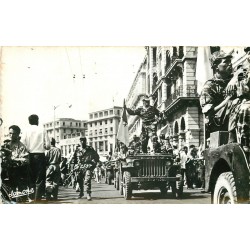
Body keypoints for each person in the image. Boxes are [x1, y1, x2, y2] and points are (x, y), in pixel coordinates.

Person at [199, 50, 234, 141]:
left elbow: (243, 68)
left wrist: (236, 76)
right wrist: (228, 99)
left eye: (230, 62)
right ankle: (233, 138)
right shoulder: (209, 86)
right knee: (234, 102)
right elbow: (209, 112)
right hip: (217, 122)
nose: (230, 64)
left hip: (231, 116)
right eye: (226, 62)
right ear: (216, 67)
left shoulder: (234, 79)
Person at [21, 114, 50, 202]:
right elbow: (48, 146)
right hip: (40, 156)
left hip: (30, 156)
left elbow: (22, 145)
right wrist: (43, 146)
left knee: (30, 178)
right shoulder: (42, 130)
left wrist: (28, 149)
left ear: (29, 121)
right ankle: (38, 198)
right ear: (37, 120)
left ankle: (31, 197)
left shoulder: (26, 130)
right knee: (40, 179)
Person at [1, 125, 30, 203]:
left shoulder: (21, 146)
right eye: (10, 133)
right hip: (7, 171)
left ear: (18, 134)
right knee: (8, 194)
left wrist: (14, 159)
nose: (11, 135)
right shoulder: (5, 145)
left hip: (18, 171)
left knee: (20, 195)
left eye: (13, 134)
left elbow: (26, 160)